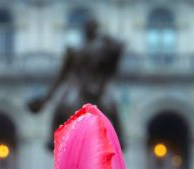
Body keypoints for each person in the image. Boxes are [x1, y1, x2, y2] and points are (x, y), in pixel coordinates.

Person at [27, 18, 125, 149]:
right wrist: (46, 99)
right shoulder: (74, 49)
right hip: (76, 83)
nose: (91, 30)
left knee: (112, 105)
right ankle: (52, 138)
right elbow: (62, 75)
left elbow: (114, 61)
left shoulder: (103, 49)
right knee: (61, 105)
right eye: (89, 27)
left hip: (97, 83)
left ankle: (120, 138)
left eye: (94, 27)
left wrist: (109, 41)